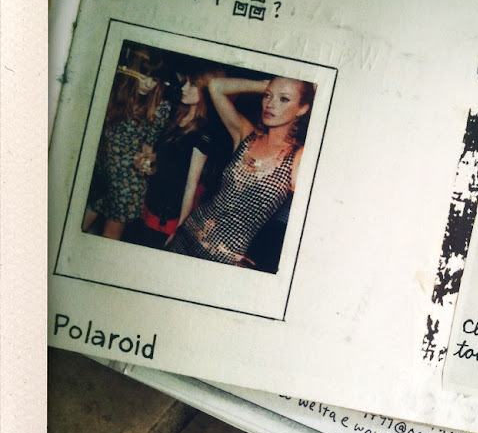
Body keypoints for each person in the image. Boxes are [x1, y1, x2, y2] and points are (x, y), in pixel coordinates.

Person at [168, 75, 314, 268]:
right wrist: (264, 86)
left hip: (222, 261)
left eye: (284, 99)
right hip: (186, 236)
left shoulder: (298, 157)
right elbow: (216, 85)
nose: (270, 104)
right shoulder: (246, 135)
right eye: (267, 96)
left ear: (302, 109)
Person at [126, 67, 223, 249]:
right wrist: (149, 160)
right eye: (186, 83)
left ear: (206, 92)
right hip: (149, 203)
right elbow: (169, 160)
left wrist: (180, 229)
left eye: (192, 85)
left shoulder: (204, 132)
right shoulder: (178, 115)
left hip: (167, 216)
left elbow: (191, 185)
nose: (184, 88)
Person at [83, 46, 171, 239]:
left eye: (154, 79)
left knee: (108, 238)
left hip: (128, 182)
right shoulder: (113, 91)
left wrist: (147, 164)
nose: (148, 84)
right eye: (144, 75)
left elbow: (148, 149)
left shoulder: (159, 107)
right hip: (102, 174)